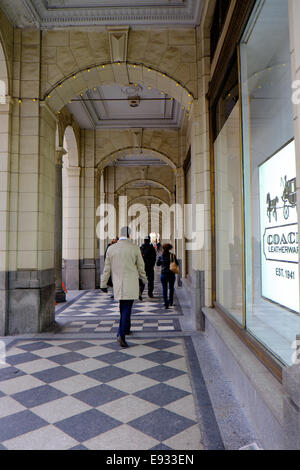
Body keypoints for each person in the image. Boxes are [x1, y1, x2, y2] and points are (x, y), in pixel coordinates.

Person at [100, 227, 147, 348]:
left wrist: (103, 284)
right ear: (129, 235)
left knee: (123, 307)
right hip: (131, 283)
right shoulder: (134, 248)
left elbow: (107, 269)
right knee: (127, 308)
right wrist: (144, 279)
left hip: (118, 283)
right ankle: (121, 334)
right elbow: (141, 267)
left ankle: (125, 329)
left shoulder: (111, 249)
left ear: (119, 234)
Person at [157, 243, 179, 309]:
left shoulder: (161, 256)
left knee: (164, 289)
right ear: (170, 248)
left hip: (163, 274)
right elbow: (177, 263)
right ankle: (171, 302)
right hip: (171, 274)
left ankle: (166, 304)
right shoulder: (172, 256)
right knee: (171, 288)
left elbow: (158, 264)